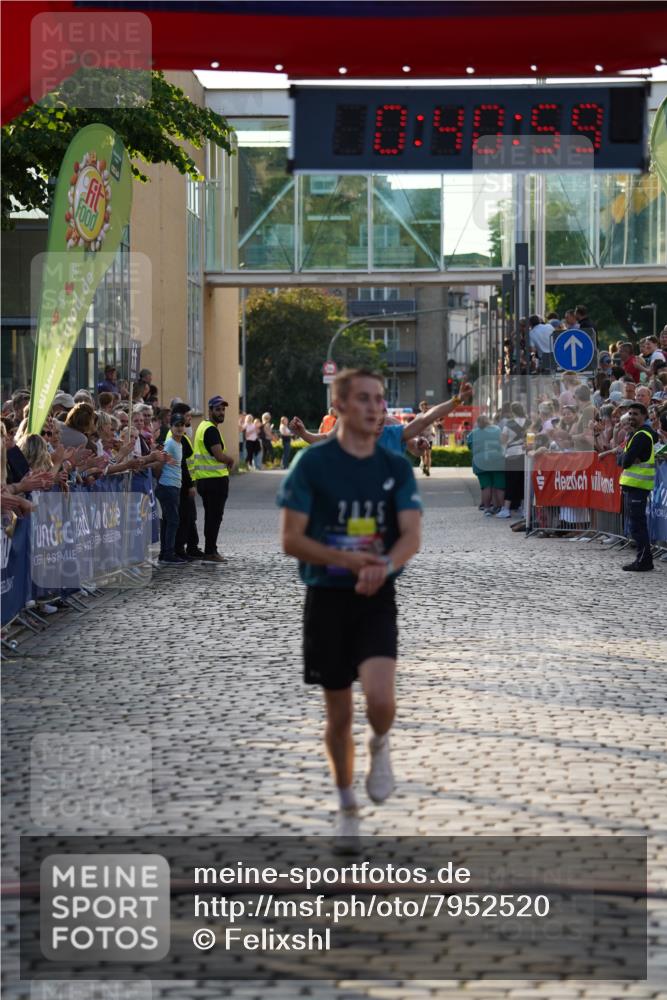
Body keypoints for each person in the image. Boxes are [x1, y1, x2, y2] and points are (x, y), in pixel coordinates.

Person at [278, 368, 421, 850]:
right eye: (363, 399)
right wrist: (344, 559)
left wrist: (384, 564)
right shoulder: (312, 466)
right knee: (338, 715)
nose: (375, 407)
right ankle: (346, 804)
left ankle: (380, 743)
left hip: (376, 596)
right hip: (327, 596)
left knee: (381, 701)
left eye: (380, 399)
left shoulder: (395, 466)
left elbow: (411, 537)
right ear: (338, 407)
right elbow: (290, 539)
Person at [600, 402, 657, 572]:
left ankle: (644, 560)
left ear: (645, 416)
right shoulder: (635, 434)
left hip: (638, 486)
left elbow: (624, 461)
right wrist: (625, 457)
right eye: (630, 414)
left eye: (636, 414)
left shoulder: (641, 436)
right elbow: (623, 459)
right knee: (636, 525)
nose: (632, 417)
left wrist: (625, 457)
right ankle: (643, 559)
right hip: (634, 486)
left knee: (638, 526)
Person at [193, 395, 234, 563]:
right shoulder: (210, 429)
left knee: (211, 516)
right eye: (217, 409)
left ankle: (210, 549)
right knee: (214, 517)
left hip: (205, 480)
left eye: (223, 410)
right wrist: (229, 459)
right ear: (210, 411)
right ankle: (210, 551)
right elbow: (218, 455)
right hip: (214, 481)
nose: (221, 412)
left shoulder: (203, 426)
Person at [170, 402, 204, 561]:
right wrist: (190, 484)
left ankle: (191, 547)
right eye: (188, 415)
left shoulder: (183, 435)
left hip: (186, 482)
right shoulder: (175, 437)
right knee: (184, 517)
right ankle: (180, 549)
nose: (190, 417)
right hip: (182, 483)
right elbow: (182, 463)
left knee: (190, 516)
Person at [156, 412, 187, 566]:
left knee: (169, 520)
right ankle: (168, 553)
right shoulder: (170, 443)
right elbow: (160, 461)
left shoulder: (179, 443)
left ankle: (164, 553)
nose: (180, 428)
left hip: (174, 484)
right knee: (173, 520)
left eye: (181, 425)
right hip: (168, 485)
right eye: (176, 425)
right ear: (171, 427)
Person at [467, 415, 505, 514]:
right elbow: (503, 442)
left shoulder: (474, 433)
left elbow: (469, 445)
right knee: (499, 486)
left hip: (480, 462)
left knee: (486, 487)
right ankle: (501, 508)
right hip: (497, 461)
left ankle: (487, 508)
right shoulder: (497, 429)